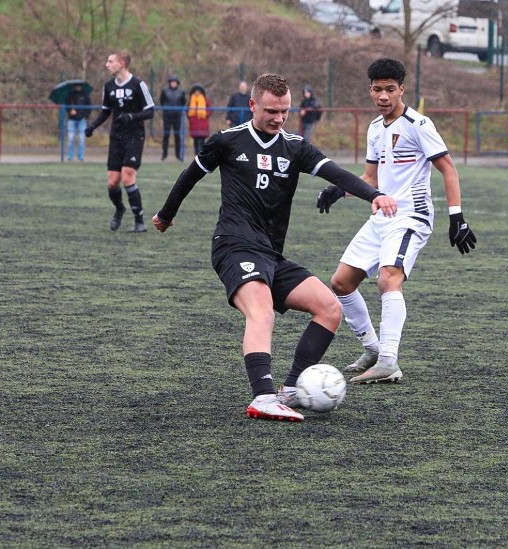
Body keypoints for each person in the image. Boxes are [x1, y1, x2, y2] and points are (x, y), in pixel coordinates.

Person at [152, 73, 397, 422]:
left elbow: (336, 173)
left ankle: (292, 389)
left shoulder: (294, 146)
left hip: (270, 254)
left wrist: (374, 195)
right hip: (234, 247)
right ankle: (263, 396)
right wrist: (166, 214)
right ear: (252, 105)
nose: (279, 118)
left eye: (285, 111)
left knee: (329, 307)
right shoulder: (227, 141)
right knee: (261, 310)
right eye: (271, 110)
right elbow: (190, 175)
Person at [316, 57, 478, 384]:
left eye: (391, 89)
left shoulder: (419, 126)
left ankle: (389, 360)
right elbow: (371, 177)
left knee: (389, 278)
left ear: (402, 89)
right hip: (381, 215)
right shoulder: (375, 129)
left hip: (411, 216)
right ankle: (373, 349)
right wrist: (340, 189)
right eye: (377, 90)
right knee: (341, 283)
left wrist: (457, 217)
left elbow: (448, 168)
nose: (383, 97)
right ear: (370, 90)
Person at [85, 49, 155, 233]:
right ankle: (119, 209)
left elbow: (150, 111)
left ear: (121, 64)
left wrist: (132, 116)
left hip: (134, 136)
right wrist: (92, 126)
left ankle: (139, 221)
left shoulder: (138, 85)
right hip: (116, 137)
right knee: (112, 182)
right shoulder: (108, 87)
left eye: (110, 61)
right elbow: (105, 111)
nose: (107, 65)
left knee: (127, 175)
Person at [159, 75, 186, 161]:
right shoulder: (165, 91)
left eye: (175, 82)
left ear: (177, 83)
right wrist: (166, 109)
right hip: (167, 116)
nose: (173, 83)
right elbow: (161, 101)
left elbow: (183, 102)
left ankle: (178, 155)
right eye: (172, 82)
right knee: (166, 135)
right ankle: (164, 154)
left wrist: (178, 110)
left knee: (177, 135)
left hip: (177, 116)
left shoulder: (181, 91)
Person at [65, 83, 92, 161]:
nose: (78, 87)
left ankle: (80, 155)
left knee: (81, 138)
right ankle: (70, 155)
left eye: (79, 86)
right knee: (70, 138)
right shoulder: (70, 95)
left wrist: (85, 116)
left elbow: (89, 107)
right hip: (71, 120)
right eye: (76, 86)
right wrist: (70, 111)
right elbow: (67, 105)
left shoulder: (85, 95)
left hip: (82, 120)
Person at [186, 83, 211, 155]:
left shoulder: (205, 100)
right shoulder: (191, 100)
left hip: (203, 122)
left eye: (198, 91)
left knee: (202, 139)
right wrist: (191, 118)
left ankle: (202, 153)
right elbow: (187, 111)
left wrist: (206, 114)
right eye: (196, 91)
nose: (197, 92)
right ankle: (196, 154)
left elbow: (210, 109)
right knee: (196, 140)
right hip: (194, 123)